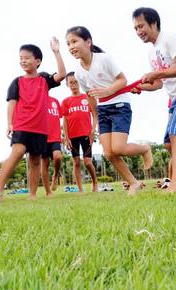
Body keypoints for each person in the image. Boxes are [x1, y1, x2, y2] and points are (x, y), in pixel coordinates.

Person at [65, 26, 153, 196]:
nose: (71, 47)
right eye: (68, 44)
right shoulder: (79, 73)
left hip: (119, 105)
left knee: (119, 148)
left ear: (88, 42)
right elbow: (90, 96)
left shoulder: (104, 59)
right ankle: (133, 183)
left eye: (74, 41)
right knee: (109, 153)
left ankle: (144, 149)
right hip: (103, 110)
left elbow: (123, 80)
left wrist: (107, 92)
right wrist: (95, 120)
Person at [133, 7, 176, 192]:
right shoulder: (151, 53)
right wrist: (139, 86)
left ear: (154, 23)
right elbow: (158, 84)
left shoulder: (169, 38)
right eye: (135, 29)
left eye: (141, 26)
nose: (139, 31)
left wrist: (156, 73)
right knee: (168, 142)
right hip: (175, 99)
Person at [0, 38, 66, 203]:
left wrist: (56, 52)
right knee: (17, 153)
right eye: (21, 58)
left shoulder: (44, 79)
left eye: (27, 58)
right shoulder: (17, 82)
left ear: (37, 61)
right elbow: (12, 103)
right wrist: (9, 123)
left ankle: (32, 195)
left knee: (35, 160)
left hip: (40, 128)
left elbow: (61, 75)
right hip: (22, 125)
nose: (23, 61)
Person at [61, 72, 98, 192]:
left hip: (86, 134)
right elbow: (65, 121)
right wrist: (66, 138)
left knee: (87, 162)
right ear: (67, 84)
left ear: (79, 82)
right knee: (76, 162)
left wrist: (93, 130)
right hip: (72, 137)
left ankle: (95, 183)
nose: (73, 85)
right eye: (70, 83)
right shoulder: (66, 101)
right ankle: (80, 189)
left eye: (75, 82)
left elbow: (94, 115)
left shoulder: (87, 97)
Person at [41, 95, 63, 197]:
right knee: (45, 162)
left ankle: (55, 175)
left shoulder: (55, 101)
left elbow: (58, 119)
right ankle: (48, 191)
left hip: (55, 136)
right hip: (42, 137)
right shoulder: (37, 100)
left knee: (57, 157)